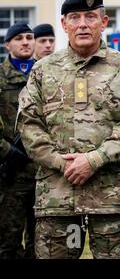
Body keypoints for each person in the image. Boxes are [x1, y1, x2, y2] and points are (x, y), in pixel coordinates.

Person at [17, 0, 120, 259]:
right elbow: (28, 124)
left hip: (113, 196)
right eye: (74, 18)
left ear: (104, 22)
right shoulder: (43, 70)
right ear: (64, 24)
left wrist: (95, 159)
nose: (82, 25)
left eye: (90, 17)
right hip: (58, 196)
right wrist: (59, 161)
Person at [0, 22, 36, 259]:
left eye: (29, 37)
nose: (25, 42)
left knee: (44, 244)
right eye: (19, 38)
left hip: (44, 172)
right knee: (8, 243)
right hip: (10, 173)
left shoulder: (46, 73)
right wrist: (6, 153)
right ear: (7, 44)